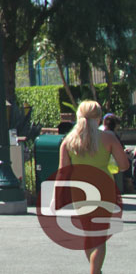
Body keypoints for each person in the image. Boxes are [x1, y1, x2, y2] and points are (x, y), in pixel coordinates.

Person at [58, 100, 131, 274]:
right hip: (103, 188)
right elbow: (124, 165)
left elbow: (62, 172)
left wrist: (58, 196)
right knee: (100, 236)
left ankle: (95, 270)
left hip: (79, 191)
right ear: (98, 118)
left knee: (89, 234)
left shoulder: (68, 141)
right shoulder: (108, 138)